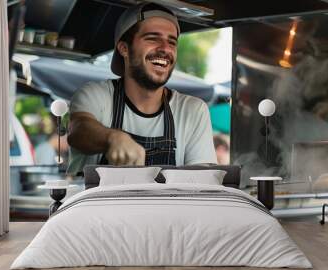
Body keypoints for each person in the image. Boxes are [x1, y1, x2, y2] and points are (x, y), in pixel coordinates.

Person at [67, 2, 216, 175]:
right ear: (124, 48)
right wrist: (111, 138)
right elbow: (78, 130)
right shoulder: (96, 95)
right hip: (96, 203)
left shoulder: (192, 110)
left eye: (172, 42)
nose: (165, 49)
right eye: (153, 38)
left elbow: (201, 182)